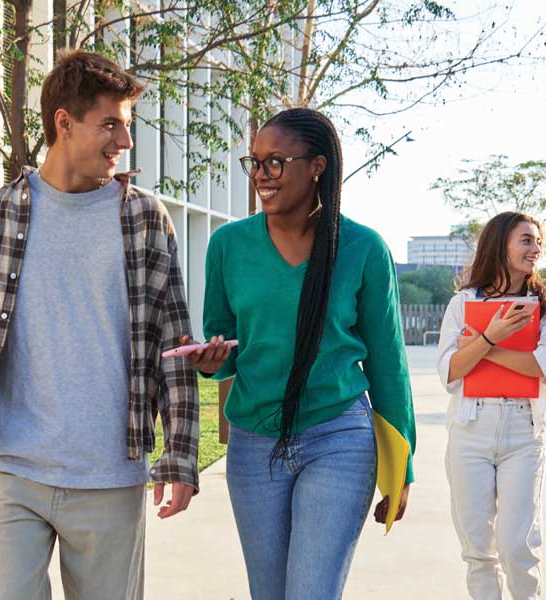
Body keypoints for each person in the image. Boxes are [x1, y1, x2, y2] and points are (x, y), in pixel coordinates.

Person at [0, 50, 200, 600]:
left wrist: (179, 453)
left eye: (125, 127)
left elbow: (171, 343)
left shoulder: (144, 217)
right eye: (111, 125)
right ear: (63, 123)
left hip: (109, 472)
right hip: (10, 464)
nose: (124, 142)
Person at [187, 107, 414, 599]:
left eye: (275, 163)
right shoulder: (228, 246)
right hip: (253, 440)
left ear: (316, 166)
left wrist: (403, 468)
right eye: (255, 163)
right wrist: (212, 361)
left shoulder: (363, 248)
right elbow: (224, 342)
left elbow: (388, 363)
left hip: (339, 435)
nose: (261, 177)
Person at [436, 212, 546, 599]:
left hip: (523, 432)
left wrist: (484, 345)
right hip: (470, 429)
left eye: (538, 241)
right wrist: (490, 338)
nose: (536, 248)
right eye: (526, 240)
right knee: (478, 549)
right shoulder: (462, 304)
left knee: (517, 547)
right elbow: (450, 372)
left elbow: (544, 370)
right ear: (500, 244)